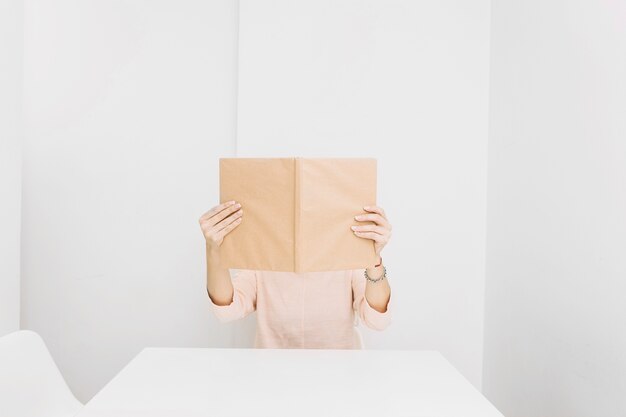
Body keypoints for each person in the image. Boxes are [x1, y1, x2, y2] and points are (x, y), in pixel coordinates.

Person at [198, 200, 393, 349]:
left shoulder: (345, 256)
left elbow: (378, 319)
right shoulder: (264, 257)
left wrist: (373, 258)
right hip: (273, 377)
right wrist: (213, 249)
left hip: (338, 377)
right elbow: (226, 309)